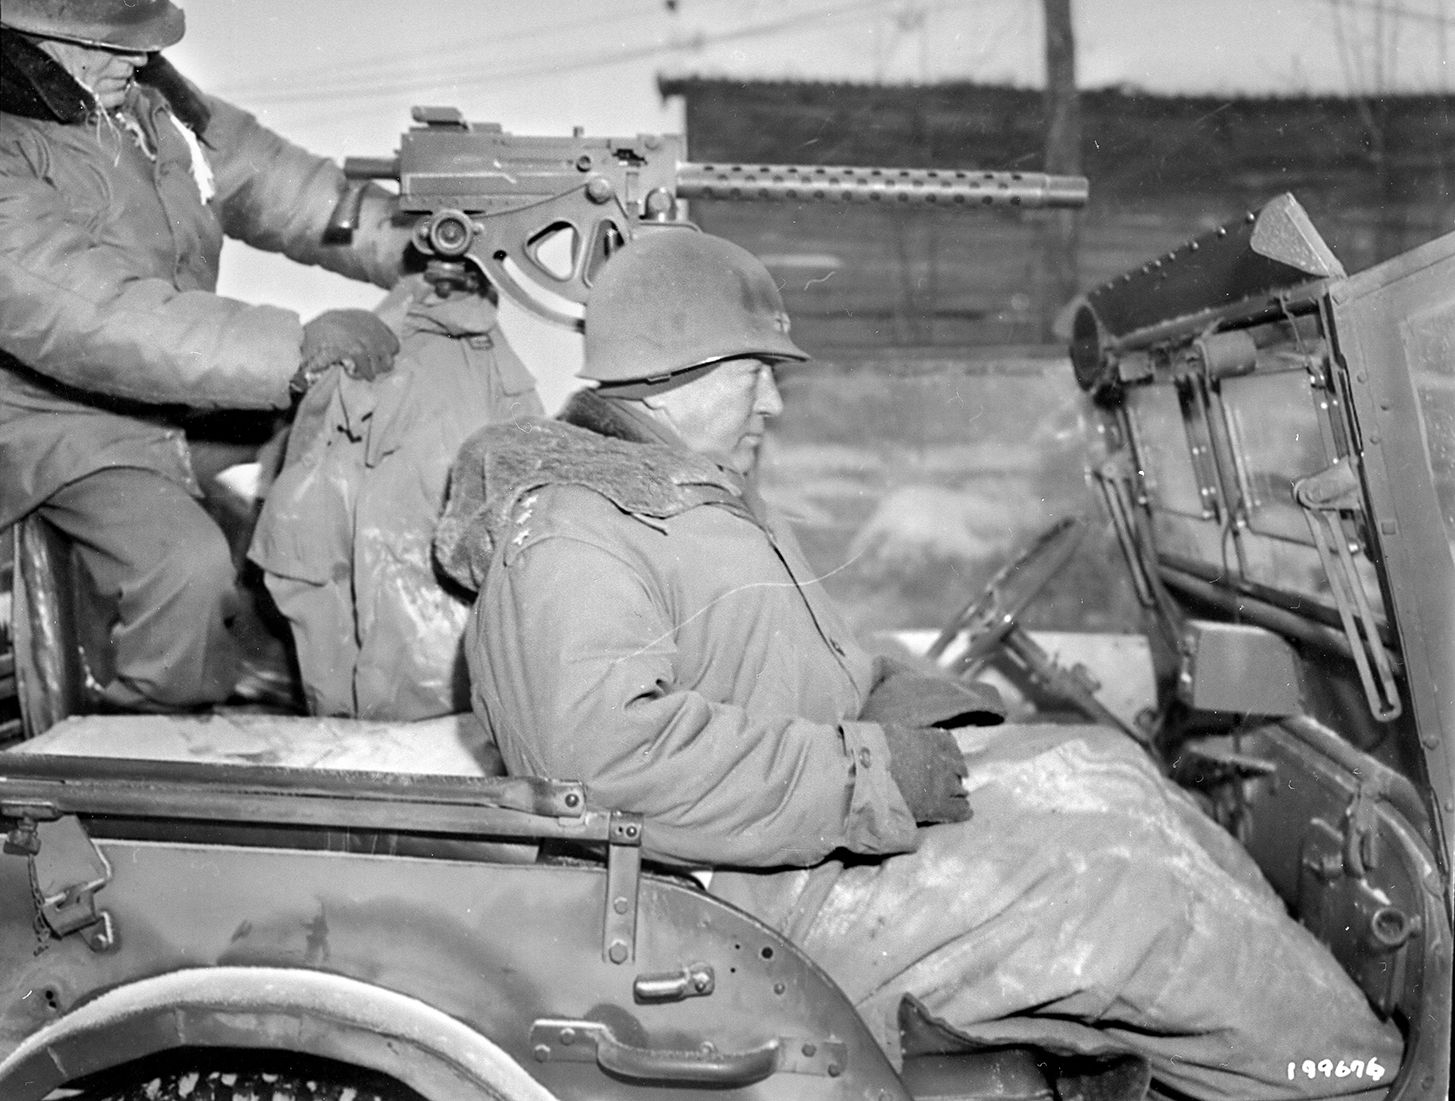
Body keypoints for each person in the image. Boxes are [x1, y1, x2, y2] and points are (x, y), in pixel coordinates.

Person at [432, 229, 1405, 1101]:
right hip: (742, 904)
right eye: (758, 371)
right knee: (1134, 901)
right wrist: (872, 772)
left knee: (1107, 771)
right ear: (682, 371)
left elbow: (781, 665)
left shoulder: (674, 496)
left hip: (783, 846)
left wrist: (895, 695)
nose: (775, 398)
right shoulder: (576, 527)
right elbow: (600, 758)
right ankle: (1354, 1082)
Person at [0, 0, 410, 711]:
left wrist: (414, 247)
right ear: (25, 42)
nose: (136, 55)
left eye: (143, 37)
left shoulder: (152, 109)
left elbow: (291, 192)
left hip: (171, 396)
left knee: (347, 436)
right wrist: (293, 346)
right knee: (185, 567)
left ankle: (295, 669)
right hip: (59, 425)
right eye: (106, 43)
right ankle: (141, 752)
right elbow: (96, 317)